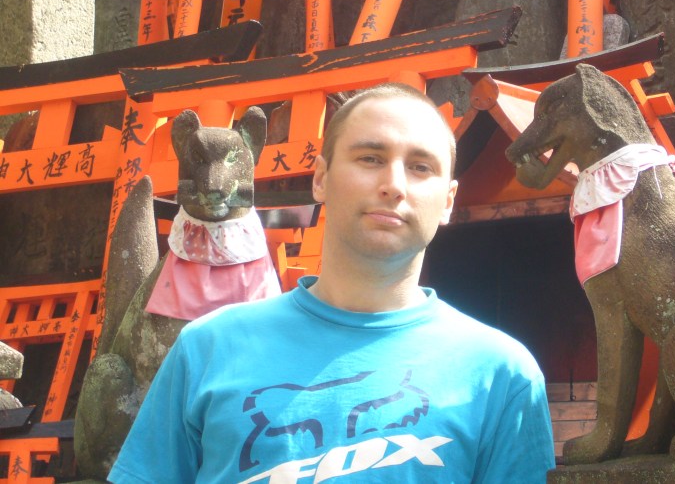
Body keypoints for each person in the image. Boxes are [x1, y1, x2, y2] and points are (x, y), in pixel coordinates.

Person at [108, 83, 556, 483]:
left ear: (448, 201)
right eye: (370, 158)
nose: (394, 185)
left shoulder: (500, 375)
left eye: (421, 167)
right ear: (320, 178)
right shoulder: (208, 348)